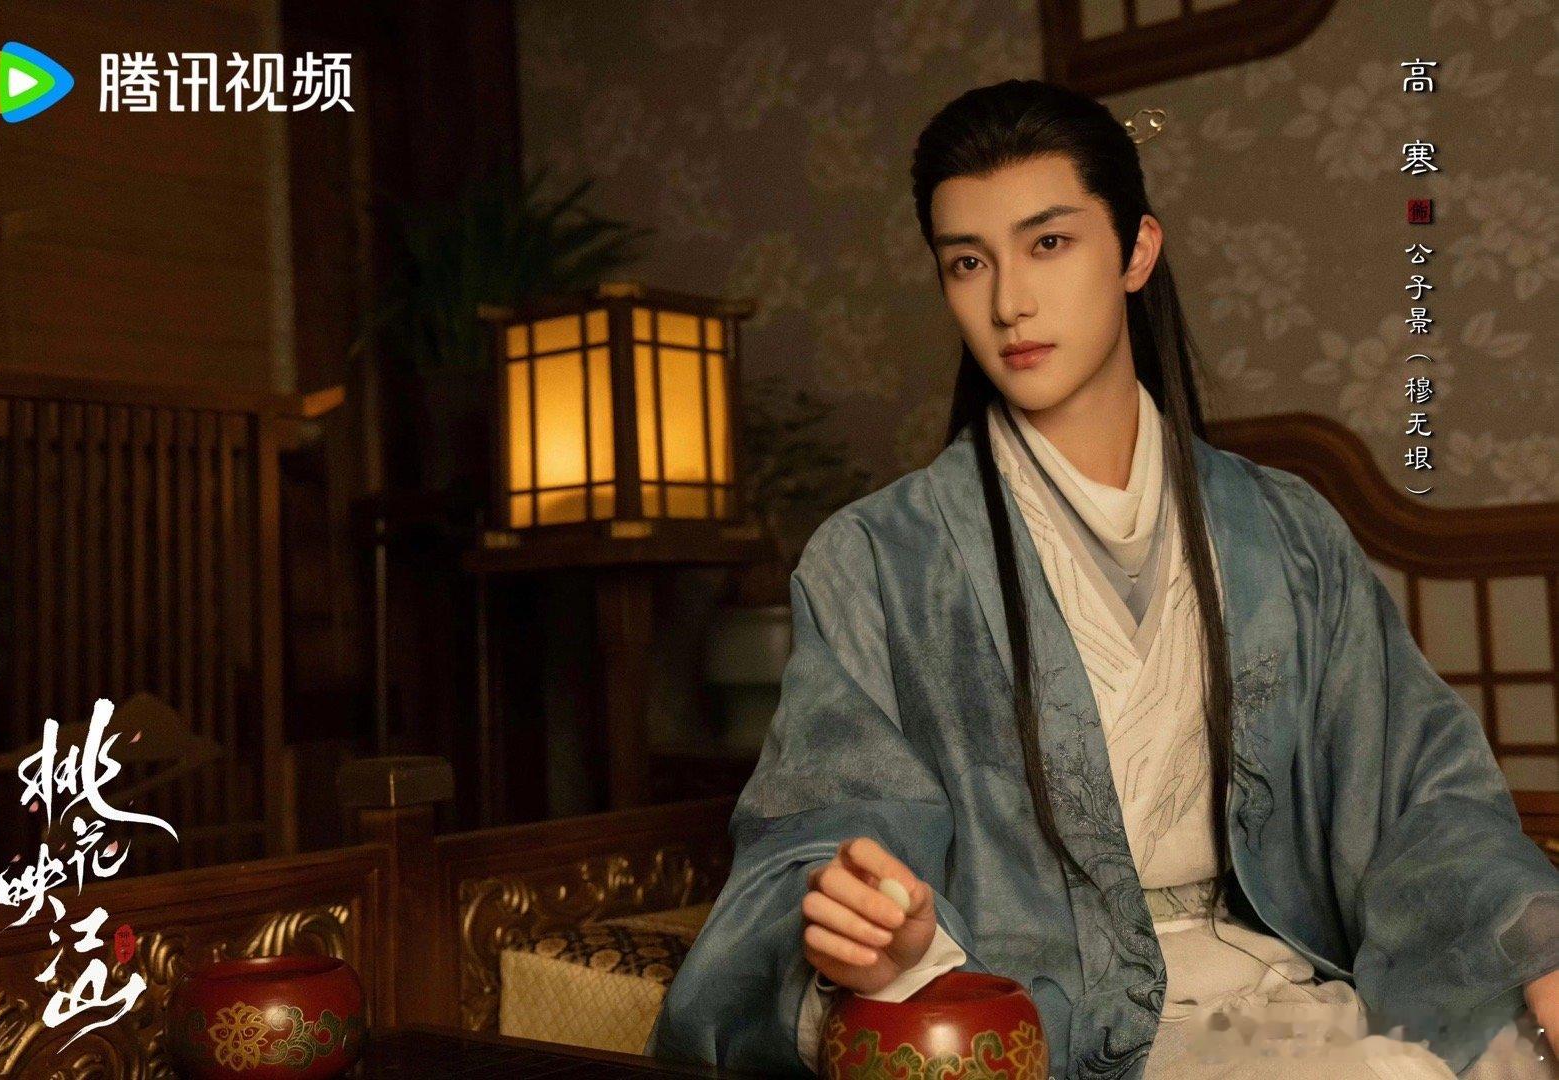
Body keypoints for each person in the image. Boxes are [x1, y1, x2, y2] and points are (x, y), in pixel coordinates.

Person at [644, 79, 1559, 1079]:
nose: (1009, 302)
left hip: (1284, 985)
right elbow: (821, 830)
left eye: (1048, 242)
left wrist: (1539, 945)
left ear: (1136, 251)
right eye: (967, 262)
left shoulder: (1286, 531)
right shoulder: (877, 558)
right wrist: (882, 935)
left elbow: (1419, 791)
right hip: (1046, 1016)